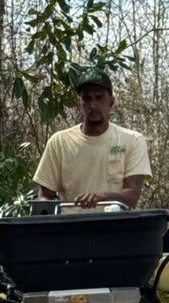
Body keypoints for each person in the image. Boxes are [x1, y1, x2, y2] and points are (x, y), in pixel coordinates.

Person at [33, 70, 151, 209]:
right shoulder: (59, 142)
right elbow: (45, 195)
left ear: (111, 101)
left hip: (117, 228)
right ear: (80, 104)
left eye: (99, 97)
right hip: (69, 228)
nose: (93, 105)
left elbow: (132, 196)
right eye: (87, 98)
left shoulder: (133, 140)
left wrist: (102, 197)